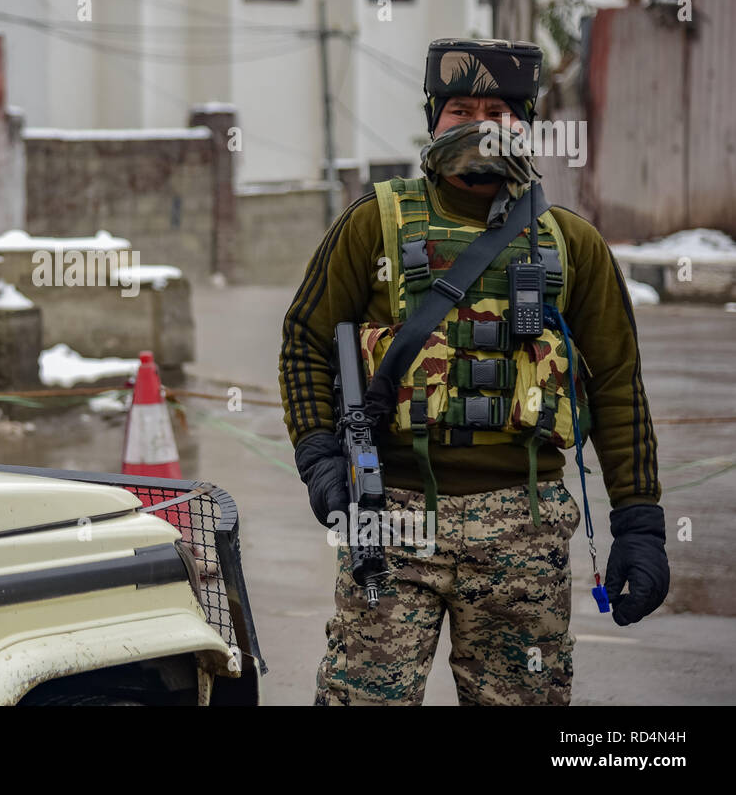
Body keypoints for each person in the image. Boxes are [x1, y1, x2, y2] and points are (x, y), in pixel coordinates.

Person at [279, 37, 670, 705]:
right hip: (393, 515)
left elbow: (617, 386)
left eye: (499, 109)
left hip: (525, 525)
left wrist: (640, 521)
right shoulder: (372, 223)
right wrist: (320, 456)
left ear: (527, 123)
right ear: (433, 117)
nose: (480, 124)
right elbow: (306, 341)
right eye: (461, 108)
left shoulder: (572, 244)